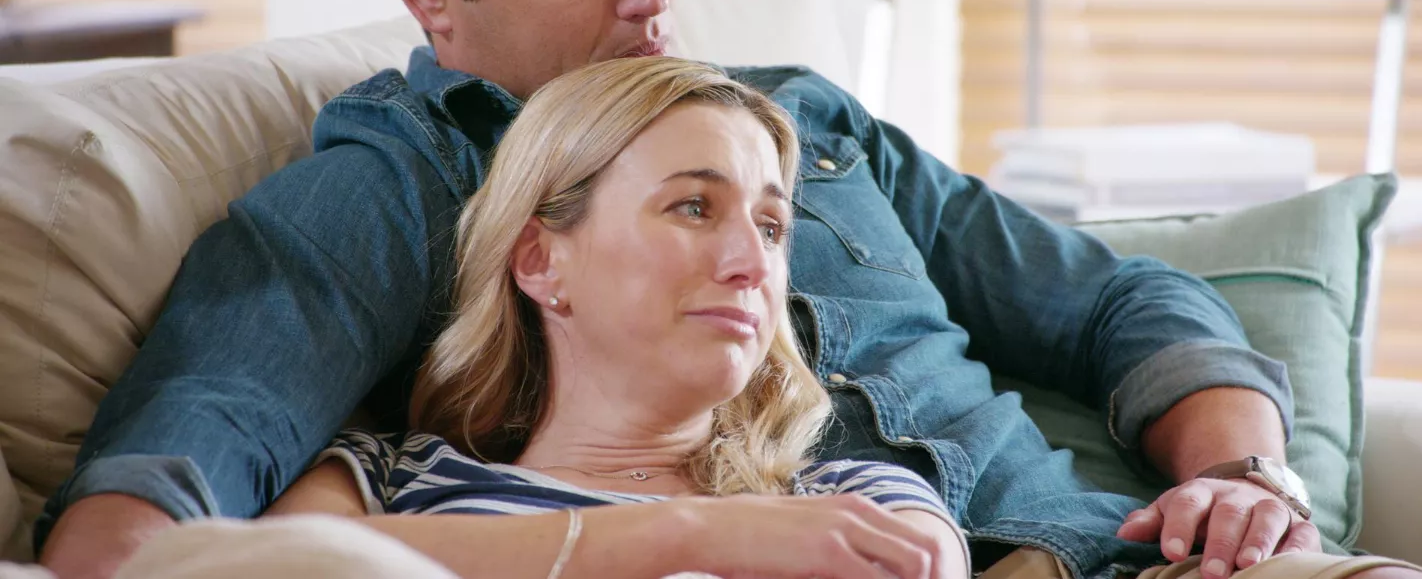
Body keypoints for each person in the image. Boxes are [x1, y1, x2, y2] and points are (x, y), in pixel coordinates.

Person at [35, 0, 1422, 578]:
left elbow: (1125, 301)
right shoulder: (388, 195)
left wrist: (1241, 474)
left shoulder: (803, 115)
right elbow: (130, 539)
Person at [262, 56, 970, 578]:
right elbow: (267, 567)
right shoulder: (382, 481)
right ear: (540, 259)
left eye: (771, 226)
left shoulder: (858, 503)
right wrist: (687, 535)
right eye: (693, 207)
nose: (752, 263)